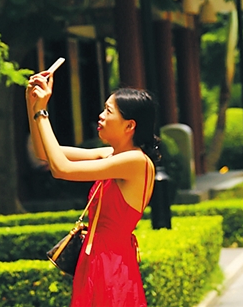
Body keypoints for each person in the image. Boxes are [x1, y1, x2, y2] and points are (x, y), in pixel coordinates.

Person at [27, 71, 157, 307]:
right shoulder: (111, 155)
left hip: (111, 267)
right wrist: (33, 102)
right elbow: (43, 153)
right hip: (96, 260)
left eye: (108, 111)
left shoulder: (136, 162)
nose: (100, 116)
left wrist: (43, 111)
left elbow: (61, 169)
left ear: (130, 125)